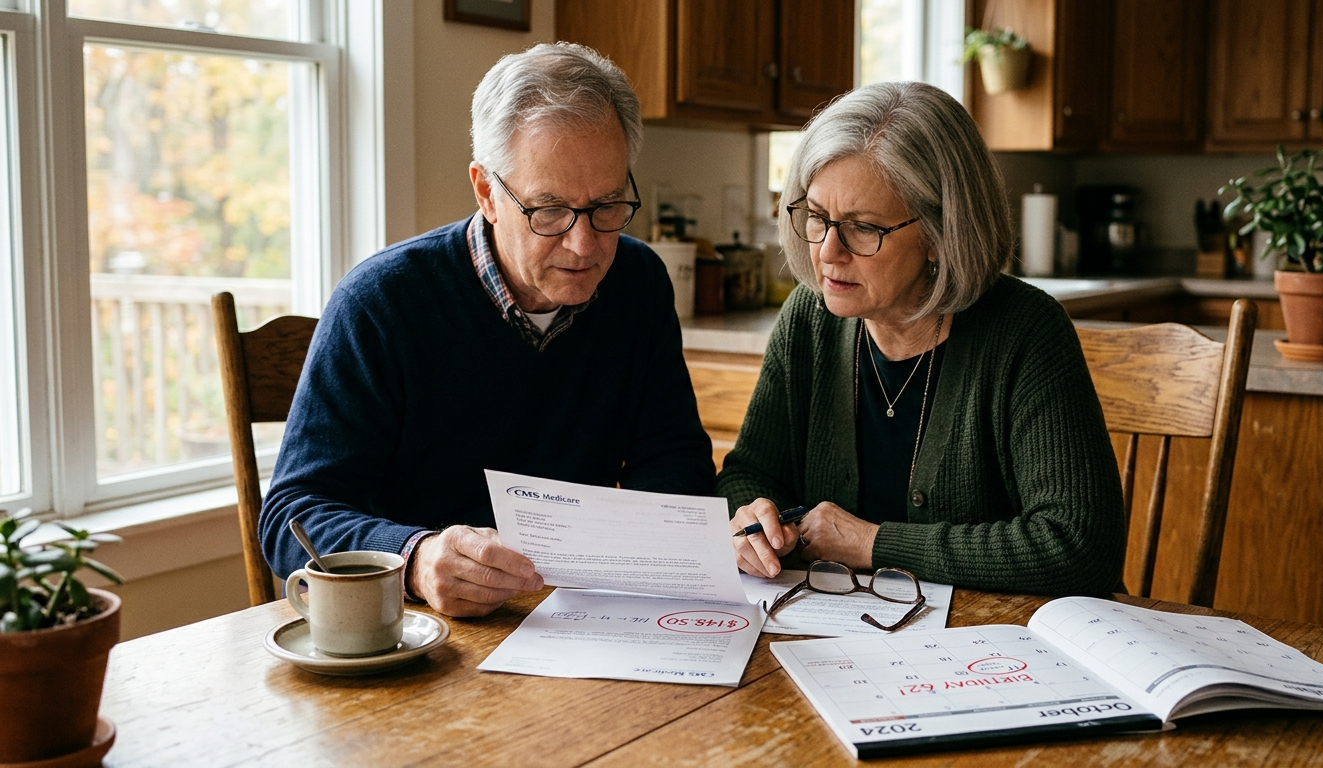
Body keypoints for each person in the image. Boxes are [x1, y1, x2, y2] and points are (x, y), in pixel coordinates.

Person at [261, 43, 715, 617]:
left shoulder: (638, 281)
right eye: (549, 210)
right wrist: (415, 558)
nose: (585, 244)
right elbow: (291, 517)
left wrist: (660, 540)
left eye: (607, 206)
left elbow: (674, 461)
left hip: (581, 620)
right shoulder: (381, 302)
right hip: (420, 634)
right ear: (485, 191)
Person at [719, 81, 1125, 596]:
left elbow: (1080, 547)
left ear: (939, 235)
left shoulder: (1025, 332)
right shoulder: (809, 319)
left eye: (863, 228)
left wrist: (872, 544)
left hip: (999, 649)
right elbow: (748, 475)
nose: (827, 252)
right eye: (817, 218)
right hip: (841, 631)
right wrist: (750, 520)